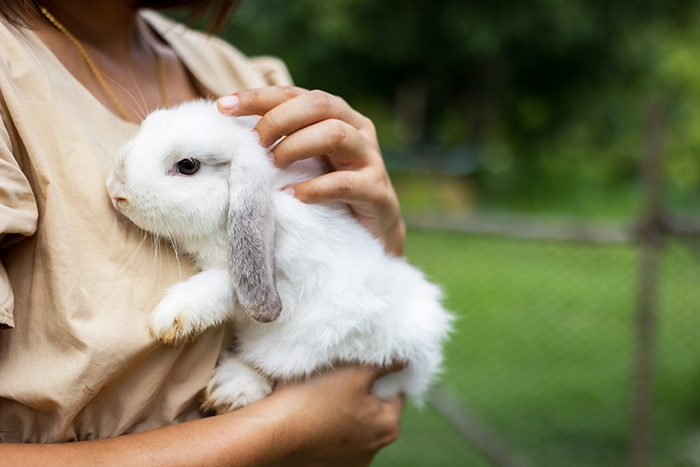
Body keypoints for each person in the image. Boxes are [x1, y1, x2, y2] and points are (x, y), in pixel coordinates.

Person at [0, 0, 406, 465]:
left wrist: (381, 231)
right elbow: (336, 421)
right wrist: (288, 427)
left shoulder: (240, 73)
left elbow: (371, 389)